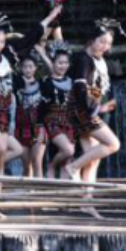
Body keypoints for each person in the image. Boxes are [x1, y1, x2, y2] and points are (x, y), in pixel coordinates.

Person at [0, 7, 62, 219]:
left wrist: (50, 17)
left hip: (5, 112)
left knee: (1, 160)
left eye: (1, 41)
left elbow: (29, 38)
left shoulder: (7, 54)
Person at [63, 19, 123, 219]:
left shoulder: (98, 60)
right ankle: (72, 167)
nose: (105, 47)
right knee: (114, 144)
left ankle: (86, 203)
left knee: (93, 158)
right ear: (91, 41)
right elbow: (81, 89)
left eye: (108, 43)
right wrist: (97, 108)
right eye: (101, 42)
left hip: (89, 109)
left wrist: (98, 106)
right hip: (82, 111)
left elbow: (95, 89)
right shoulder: (83, 59)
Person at [39, 43, 75, 179]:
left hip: (69, 122)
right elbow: (41, 107)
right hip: (52, 121)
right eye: (60, 63)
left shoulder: (72, 82)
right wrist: (40, 127)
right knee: (68, 150)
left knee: (68, 159)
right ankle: (51, 166)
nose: (63, 66)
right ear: (52, 63)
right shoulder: (45, 82)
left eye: (66, 63)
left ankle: (63, 192)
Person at [13, 54, 46, 178]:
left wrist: (40, 51)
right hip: (21, 128)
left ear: (35, 68)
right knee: (27, 164)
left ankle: (40, 193)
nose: (28, 69)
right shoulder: (16, 84)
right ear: (21, 68)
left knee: (37, 162)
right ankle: (28, 191)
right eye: (25, 67)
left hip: (38, 127)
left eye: (31, 66)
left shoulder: (42, 83)